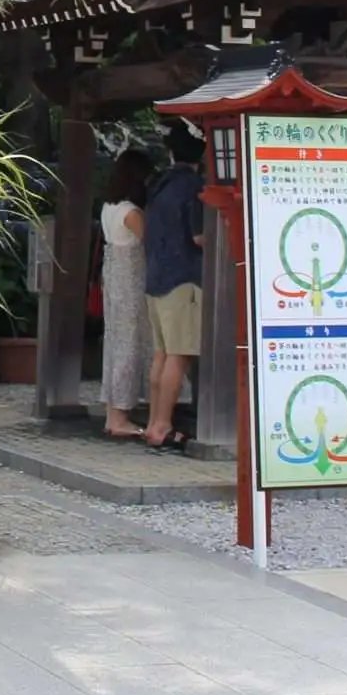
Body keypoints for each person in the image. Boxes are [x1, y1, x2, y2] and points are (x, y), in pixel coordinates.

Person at [141, 126, 208, 452]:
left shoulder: (158, 185)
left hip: (156, 277)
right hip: (184, 278)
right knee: (179, 356)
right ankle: (163, 425)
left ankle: (154, 422)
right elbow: (199, 237)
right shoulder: (194, 187)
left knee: (162, 353)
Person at [97, 151, 154, 438]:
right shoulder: (132, 212)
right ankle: (120, 415)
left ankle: (112, 412)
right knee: (129, 345)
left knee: (116, 343)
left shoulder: (109, 207)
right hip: (131, 280)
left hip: (113, 277)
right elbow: (149, 243)